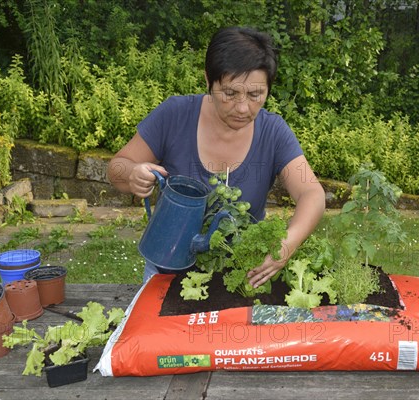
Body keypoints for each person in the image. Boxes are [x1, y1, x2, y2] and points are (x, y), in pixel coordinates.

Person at [107, 26, 325, 287]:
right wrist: (131, 174)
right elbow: (117, 167)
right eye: (230, 93)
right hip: (166, 272)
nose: (243, 108)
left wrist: (286, 246)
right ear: (208, 80)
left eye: (256, 95)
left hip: (239, 277)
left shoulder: (273, 132)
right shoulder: (175, 115)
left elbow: (311, 193)